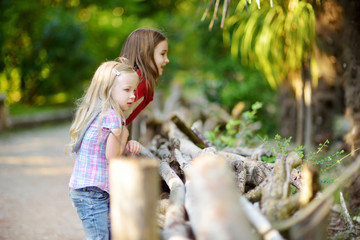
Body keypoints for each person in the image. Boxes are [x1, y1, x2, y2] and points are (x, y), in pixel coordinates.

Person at [67, 59, 142, 239]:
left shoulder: (101, 112)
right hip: (92, 192)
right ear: (108, 90)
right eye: (127, 90)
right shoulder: (113, 117)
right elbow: (112, 156)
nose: (133, 95)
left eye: (134, 90)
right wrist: (124, 132)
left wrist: (127, 144)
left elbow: (113, 149)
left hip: (91, 190)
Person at [119, 28, 170, 125]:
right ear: (145, 54)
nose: (167, 60)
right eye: (162, 54)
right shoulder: (140, 83)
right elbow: (114, 122)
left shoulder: (130, 79)